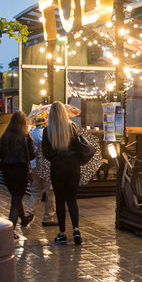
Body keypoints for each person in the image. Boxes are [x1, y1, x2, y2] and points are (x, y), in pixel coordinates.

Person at [42, 102, 86, 245]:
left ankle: (62, 233)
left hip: (57, 167)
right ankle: (76, 229)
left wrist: (56, 157)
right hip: (73, 167)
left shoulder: (47, 131)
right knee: (72, 199)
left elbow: (46, 153)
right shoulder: (72, 127)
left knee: (60, 200)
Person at [0, 111, 35, 233]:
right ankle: (10, 231)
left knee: (16, 197)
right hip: (21, 170)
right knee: (16, 201)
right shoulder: (26, 136)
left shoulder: (5, 136)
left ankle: (24, 220)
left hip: (7, 171)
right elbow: (32, 155)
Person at [26, 116, 57, 226]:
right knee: (50, 193)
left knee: (35, 193)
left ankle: (28, 214)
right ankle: (48, 217)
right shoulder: (47, 133)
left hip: (34, 166)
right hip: (47, 166)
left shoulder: (31, 133)